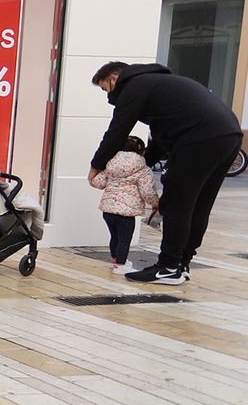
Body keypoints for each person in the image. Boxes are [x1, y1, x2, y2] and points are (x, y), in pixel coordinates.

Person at [90, 61, 244, 284]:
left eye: (106, 89)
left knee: (176, 203)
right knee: (199, 204)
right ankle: (181, 264)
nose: (108, 97)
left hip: (199, 138)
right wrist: (143, 163)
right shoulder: (159, 83)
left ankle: (169, 267)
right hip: (229, 135)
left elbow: (118, 128)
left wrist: (97, 164)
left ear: (114, 78)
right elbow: (161, 137)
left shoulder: (135, 85)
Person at [90, 135, 158, 275]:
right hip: (127, 212)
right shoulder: (142, 170)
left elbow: (99, 183)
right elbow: (148, 192)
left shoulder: (110, 165)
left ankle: (115, 260)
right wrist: (156, 203)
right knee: (124, 240)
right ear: (142, 151)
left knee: (114, 237)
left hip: (108, 210)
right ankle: (121, 265)